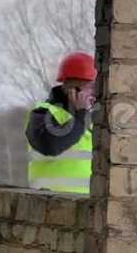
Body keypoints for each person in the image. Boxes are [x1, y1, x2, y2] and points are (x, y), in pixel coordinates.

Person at [25, 51, 97, 194]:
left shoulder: (89, 121)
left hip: (84, 206)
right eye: (90, 87)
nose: (95, 94)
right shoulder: (42, 114)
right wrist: (79, 116)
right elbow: (50, 146)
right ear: (73, 89)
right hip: (49, 205)